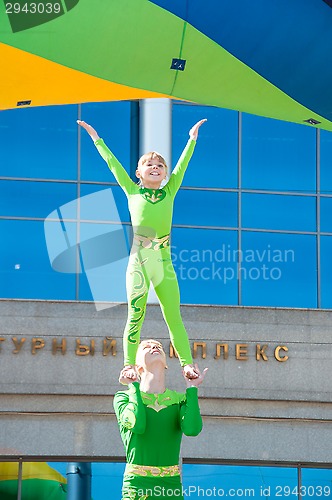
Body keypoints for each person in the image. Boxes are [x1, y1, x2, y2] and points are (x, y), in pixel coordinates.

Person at [77, 118, 207, 381]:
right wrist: (96, 138)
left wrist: (191, 139)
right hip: (139, 262)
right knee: (135, 314)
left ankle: (186, 364)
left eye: (160, 165)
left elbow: (182, 166)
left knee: (174, 315)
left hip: (164, 263)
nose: (155, 167)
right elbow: (112, 165)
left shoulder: (170, 191)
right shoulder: (132, 192)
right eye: (149, 164)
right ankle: (127, 365)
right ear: (138, 172)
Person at [113, 339, 208, 500]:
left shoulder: (179, 400)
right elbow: (138, 424)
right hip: (137, 485)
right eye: (146, 347)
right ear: (138, 366)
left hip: (171, 485)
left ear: (166, 364)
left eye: (158, 346)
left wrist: (192, 388)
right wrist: (134, 386)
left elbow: (192, 429)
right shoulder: (123, 397)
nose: (154, 347)